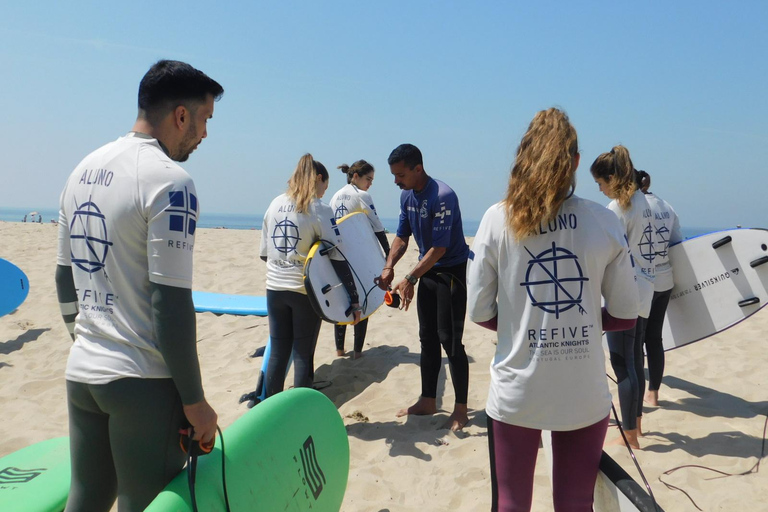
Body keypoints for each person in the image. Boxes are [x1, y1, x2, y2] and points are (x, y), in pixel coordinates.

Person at [55, 60, 223, 512]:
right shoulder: (172, 183)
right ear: (181, 115)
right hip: (142, 381)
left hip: (83, 373)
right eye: (205, 119)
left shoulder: (81, 171)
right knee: (142, 502)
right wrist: (195, 401)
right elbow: (168, 302)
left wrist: (90, 338)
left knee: (87, 497)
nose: (205, 134)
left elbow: (63, 279)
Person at [467, 108, 638, 512]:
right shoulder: (604, 222)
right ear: (577, 161)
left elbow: (478, 310)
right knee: (575, 503)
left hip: (517, 389)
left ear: (523, 155)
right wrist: (585, 324)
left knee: (510, 502)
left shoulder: (496, 219)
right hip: (582, 388)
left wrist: (518, 326)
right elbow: (627, 313)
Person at [376, 143, 470, 431]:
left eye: (400, 175)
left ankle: (461, 410)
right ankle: (428, 400)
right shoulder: (407, 196)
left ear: (418, 169)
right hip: (427, 271)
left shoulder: (442, 195)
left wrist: (411, 278)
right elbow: (402, 237)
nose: (396, 181)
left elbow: (440, 248)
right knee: (426, 338)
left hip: (450, 272)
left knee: (450, 340)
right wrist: (389, 265)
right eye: (393, 175)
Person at [257, 153, 361, 399]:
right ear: (319, 178)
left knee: (279, 351)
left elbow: (265, 254)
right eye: (326, 185)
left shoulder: (274, 204)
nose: (326, 190)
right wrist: (354, 299)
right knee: (303, 352)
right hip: (304, 291)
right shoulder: (319, 209)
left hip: (274, 289)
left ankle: (270, 410)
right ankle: (299, 414)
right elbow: (337, 257)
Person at [591, 145, 655, 447]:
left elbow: (606, 254)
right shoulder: (642, 200)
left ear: (613, 178)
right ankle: (637, 426)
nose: (600, 190)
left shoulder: (617, 208)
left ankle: (629, 435)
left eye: (601, 183)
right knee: (634, 361)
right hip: (645, 286)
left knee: (622, 364)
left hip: (624, 289)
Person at [329, 159, 390, 359]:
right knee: (363, 299)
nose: (370, 184)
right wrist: (388, 254)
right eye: (368, 179)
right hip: (358, 255)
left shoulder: (335, 196)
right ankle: (357, 353)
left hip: (338, 256)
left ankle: (339, 351)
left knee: (343, 300)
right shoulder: (362, 195)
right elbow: (377, 226)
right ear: (356, 176)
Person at [636, 170, 682, 407]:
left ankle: (637, 400)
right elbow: (677, 243)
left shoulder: (631, 207)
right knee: (654, 338)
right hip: (665, 279)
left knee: (636, 341)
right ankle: (653, 393)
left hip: (641, 281)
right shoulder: (666, 206)